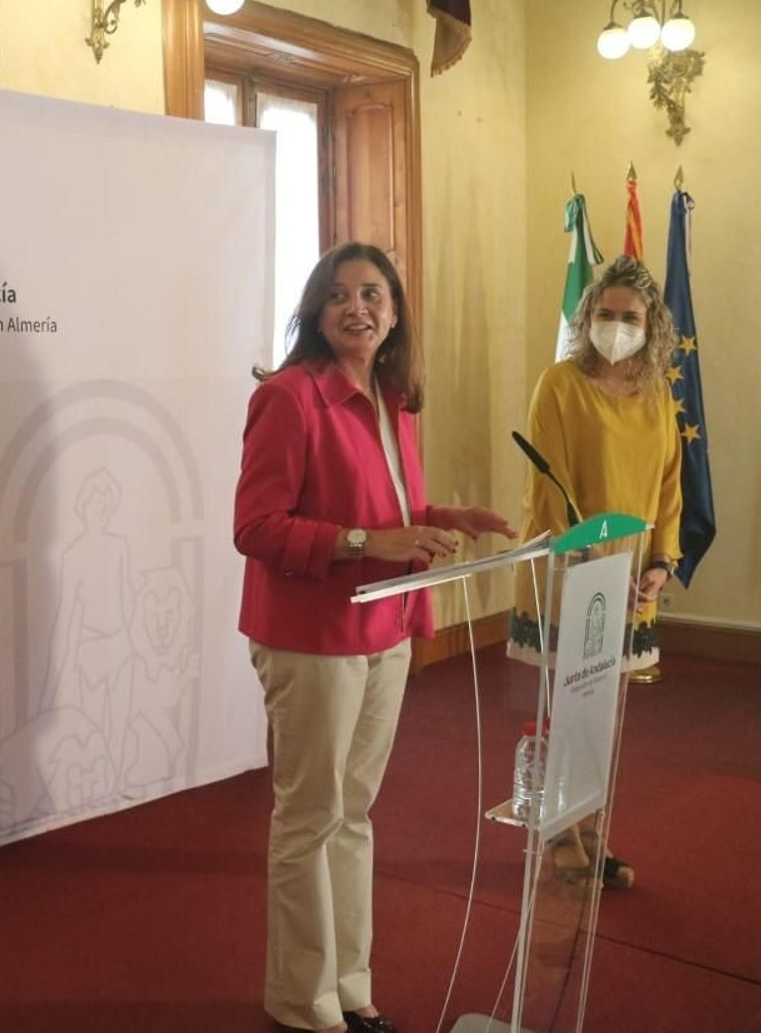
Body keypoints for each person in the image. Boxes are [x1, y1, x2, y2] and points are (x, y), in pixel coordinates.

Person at [233, 242, 516, 1033]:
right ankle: (300, 998)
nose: (358, 307)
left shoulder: (393, 399)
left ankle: (349, 985)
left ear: (394, 312)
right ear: (316, 314)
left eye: (373, 293)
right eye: (339, 295)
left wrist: (443, 520)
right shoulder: (290, 399)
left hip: (383, 629)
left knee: (353, 814)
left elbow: (391, 518)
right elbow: (256, 527)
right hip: (311, 635)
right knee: (309, 817)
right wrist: (367, 542)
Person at [506, 253, 682, 891]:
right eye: (604, 314)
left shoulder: (660, 393)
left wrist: (661, 562)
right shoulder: (560, 383)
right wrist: (579, 558)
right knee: (569, 707)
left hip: (632, 582)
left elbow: (668, 487)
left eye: (629, 316)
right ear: (587, 317)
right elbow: (547, 487)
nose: (616, 325)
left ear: (651, 322)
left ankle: (591, 825)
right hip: (570, 572)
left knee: (606, 715)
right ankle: (560, 831)